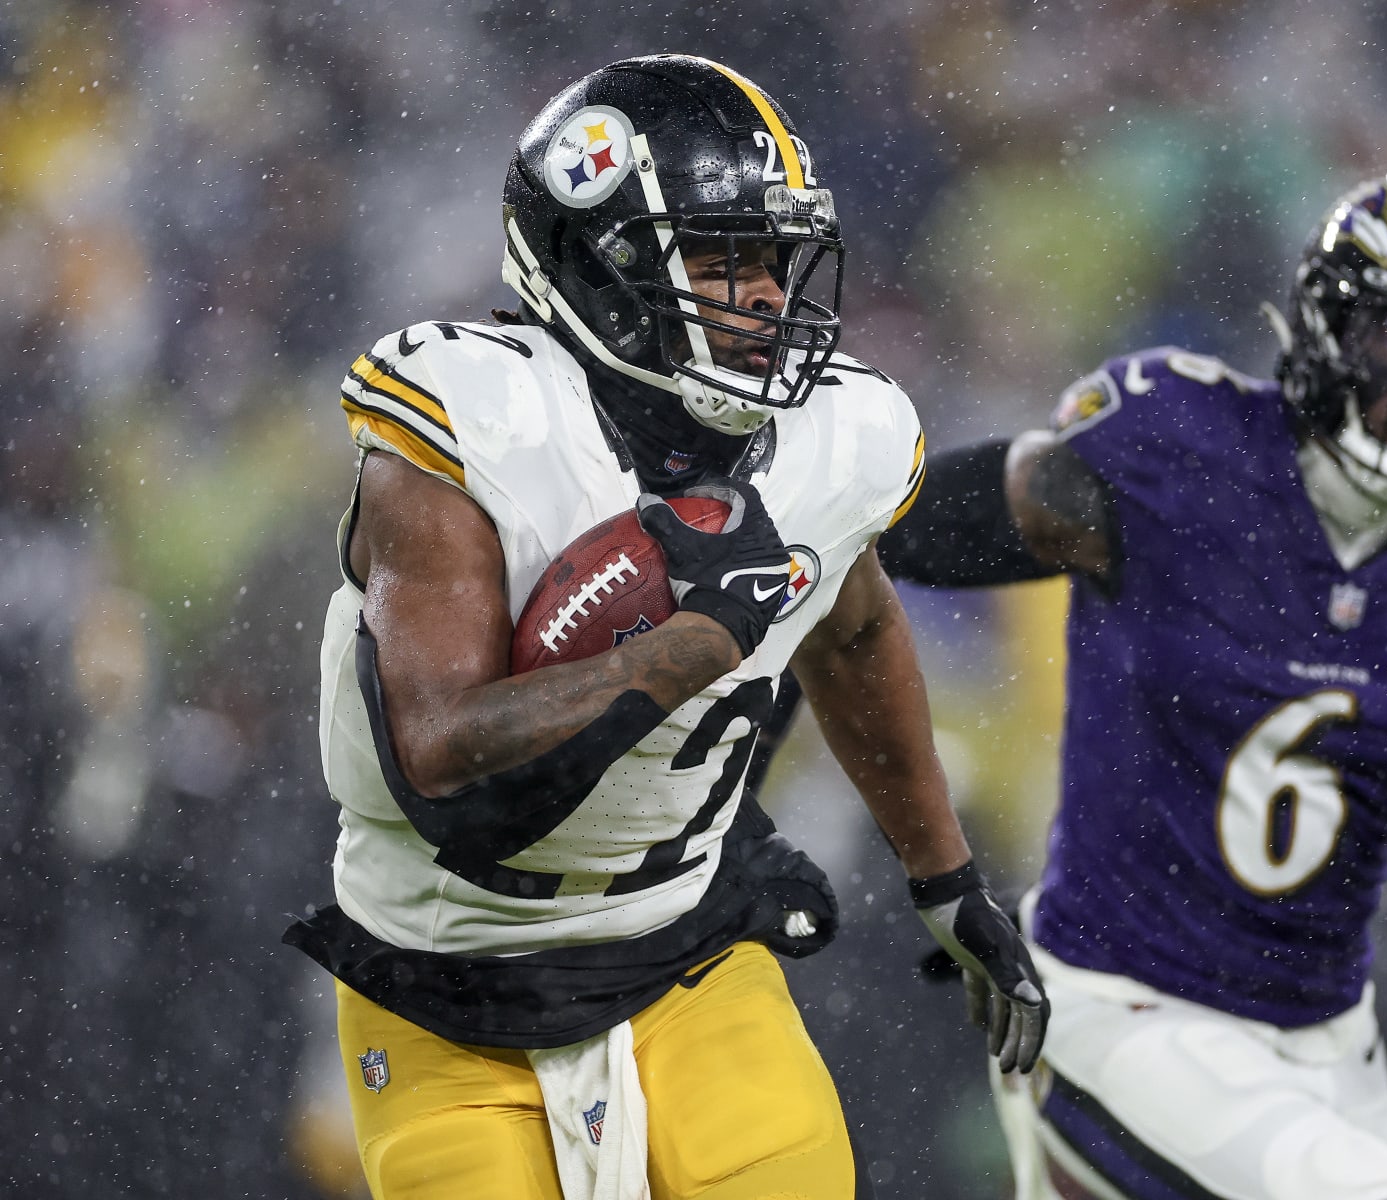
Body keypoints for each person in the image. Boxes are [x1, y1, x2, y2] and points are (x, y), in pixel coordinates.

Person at [283, 54, 1044, 1200]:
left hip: (686, 943)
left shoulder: (839, 435)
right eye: (726, 262)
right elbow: (441, 746)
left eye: (776, 265)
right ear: (604, 267)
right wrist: (685, 646)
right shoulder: (477, 425)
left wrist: (945, 878)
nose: (767, 301)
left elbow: (855, 631)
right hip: (445, 984)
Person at [880, 165, 1387, 1200]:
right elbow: (896, 528)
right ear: (1330, 322)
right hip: (1116, 999)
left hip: (1324, 1039)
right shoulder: (1177, 449)